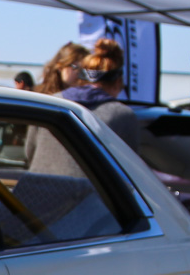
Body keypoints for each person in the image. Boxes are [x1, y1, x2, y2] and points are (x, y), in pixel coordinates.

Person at [24, 39, 143, 176]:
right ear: (118, 82)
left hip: (34, 192)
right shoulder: (122, 115)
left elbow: (30, 152)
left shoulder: (47, 103)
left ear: (82, 78)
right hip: (89, 196)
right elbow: (131, 172)